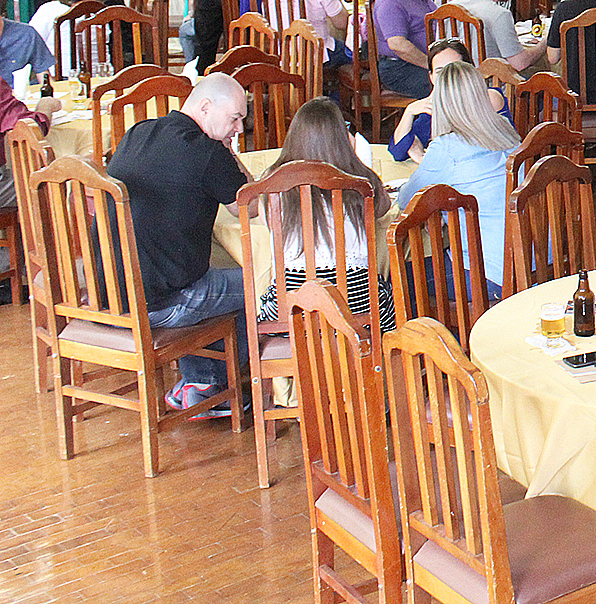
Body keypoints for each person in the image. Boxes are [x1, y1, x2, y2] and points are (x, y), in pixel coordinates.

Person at [107, 74, 251, 416]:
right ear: (205, 107)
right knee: (259, 283)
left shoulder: (137, 133)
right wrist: (231, 154)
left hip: (111, 291)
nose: (239, 129)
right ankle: (208, 387)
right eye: (235, 118)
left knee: (198, 269)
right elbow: (251, 203)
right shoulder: (207, 153)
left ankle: (197, 379)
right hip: (158, 302)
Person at [253, 99, 397, 331]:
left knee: (270, 299)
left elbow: (267, 222)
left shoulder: (272, 183)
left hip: (291, 314)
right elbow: (384, 208)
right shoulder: (361, 181)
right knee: (384, 291)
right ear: (341, 139)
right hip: (357, 310)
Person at [395, 62, 522, 293]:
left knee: (397, 280)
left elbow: (406, 202)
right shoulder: (505, 128)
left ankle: (448, 329)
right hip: (531, 264)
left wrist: (423, 160)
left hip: (487, 274)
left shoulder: (446, 148)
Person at [458, 0, 548, 74]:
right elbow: (520, 63)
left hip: (455, 83)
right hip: (492, 84)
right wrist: (545, 43)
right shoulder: (499, 14)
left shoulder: (450, 7)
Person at [373, 0, 439, 97]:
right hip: (400, 68)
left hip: (422, 61)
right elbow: (398, 45)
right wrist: (431, 66)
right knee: (450, 87)